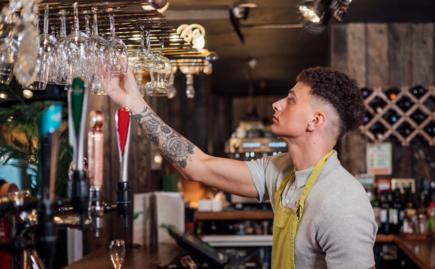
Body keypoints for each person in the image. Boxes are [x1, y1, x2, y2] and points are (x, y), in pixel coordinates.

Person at [99, 65, 377, 269]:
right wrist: (134, 104)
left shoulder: (342, 201)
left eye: (291, 99)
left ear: (315, 121)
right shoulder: (282, 171)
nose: (276, 104)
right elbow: (198, 166)